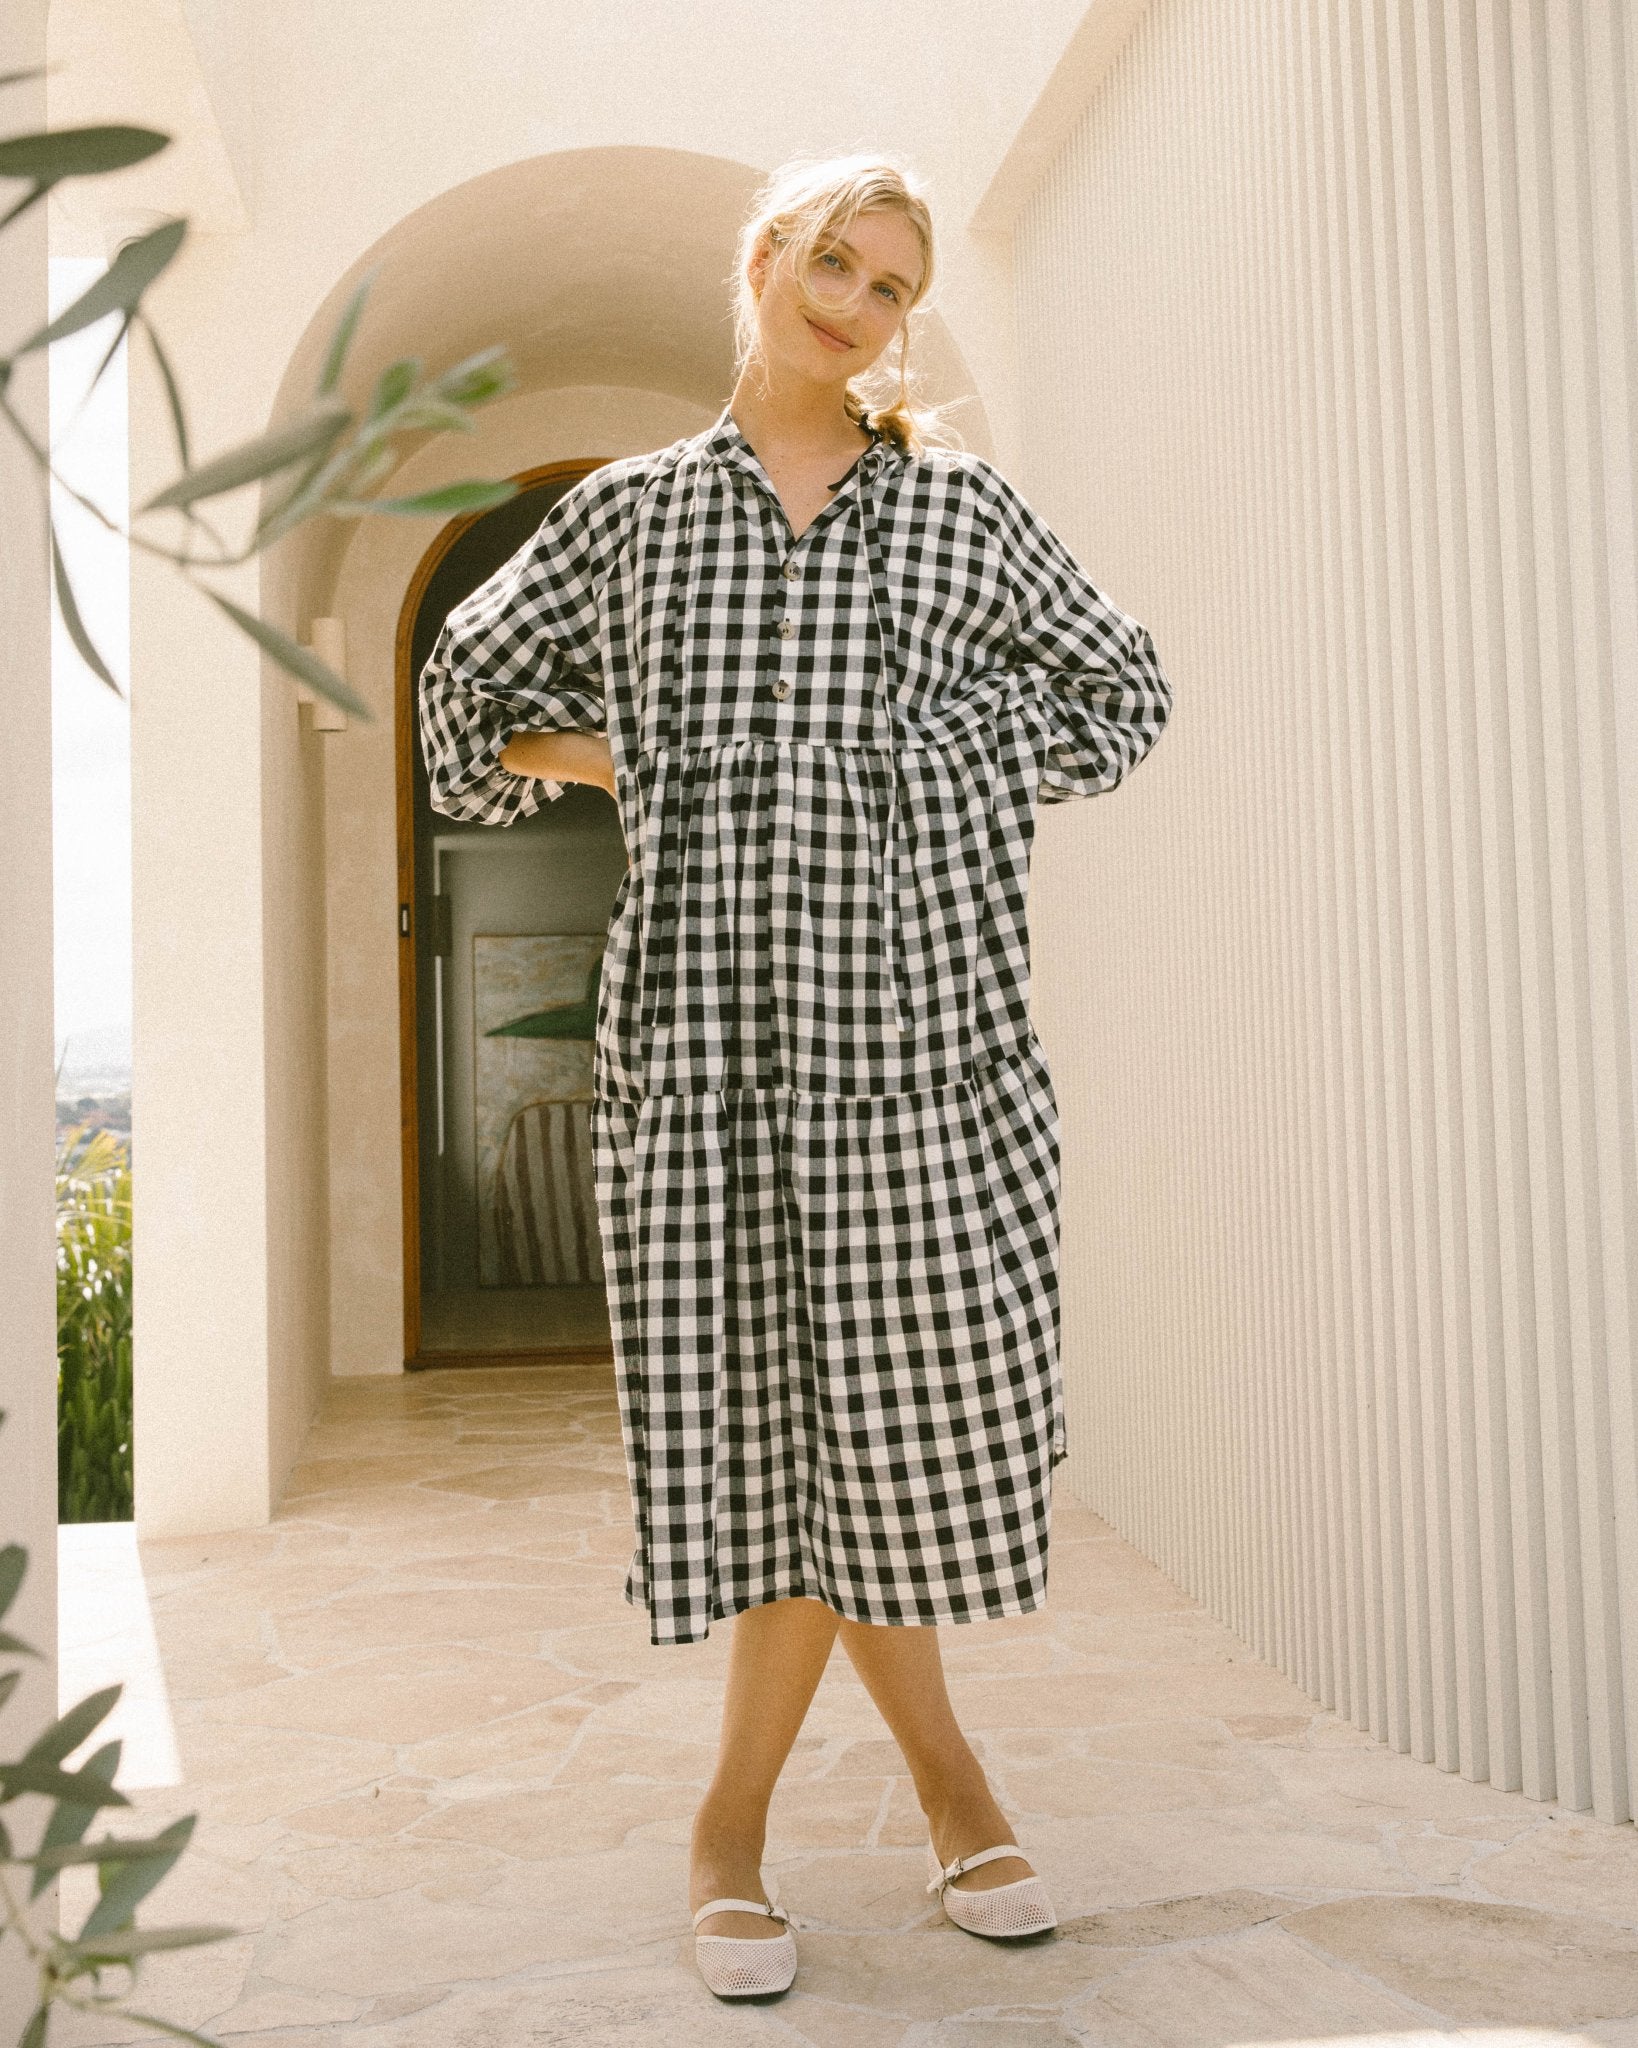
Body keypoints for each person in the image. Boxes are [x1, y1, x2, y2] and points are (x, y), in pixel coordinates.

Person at [418, 149, 1174, 2001]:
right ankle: (896, 1807)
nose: (856, 307)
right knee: (766, 1460)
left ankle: (778, 1820)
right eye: (834, 263)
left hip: (921, 1058)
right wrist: (642, 755)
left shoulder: (959, 511)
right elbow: (459, 720)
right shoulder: (629, 519)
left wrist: (922, 751)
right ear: (765, 259)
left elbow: (1122, 700)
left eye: (892, 287)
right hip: (705, 1069)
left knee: (893, 1459)